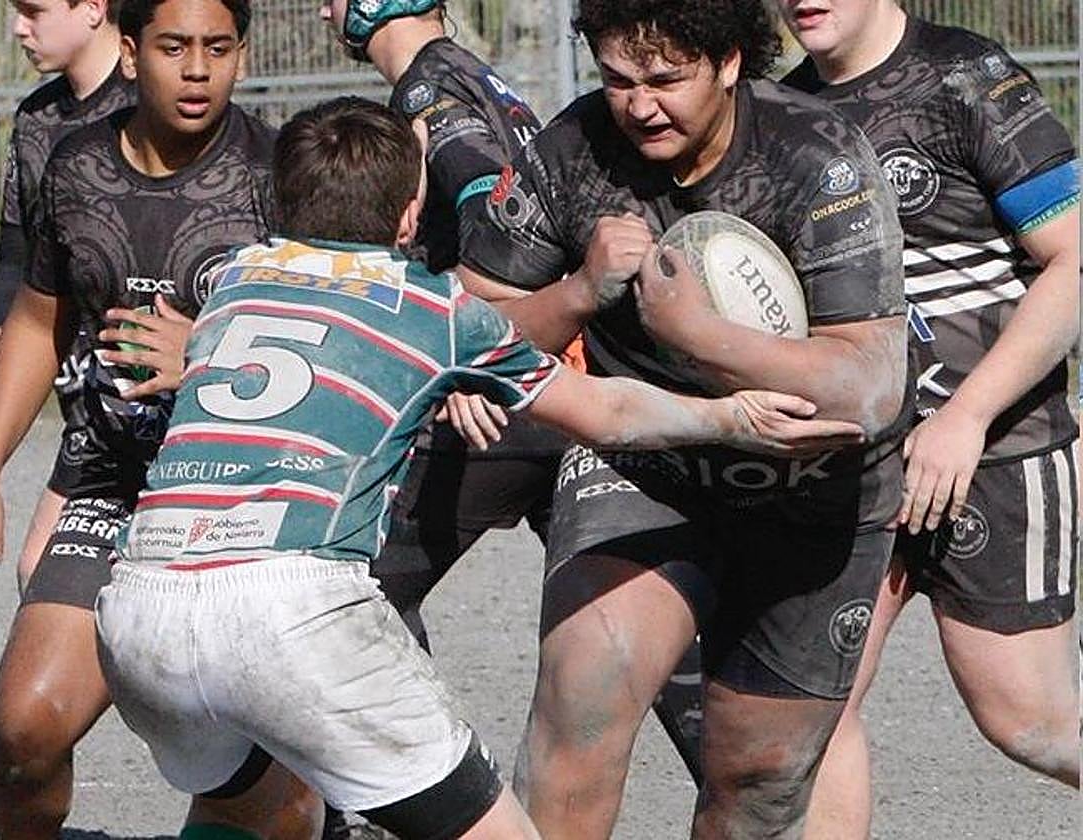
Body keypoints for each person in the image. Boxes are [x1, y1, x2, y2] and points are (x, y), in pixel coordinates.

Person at [94, 93, 871, 840]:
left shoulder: (236, 277)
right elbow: (604, 412)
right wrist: (729, 417)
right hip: (291, 609)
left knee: (241, 810)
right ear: (408, 216)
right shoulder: (431, 309)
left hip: (138, 606)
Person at [455, 0, 910, 836]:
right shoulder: (571, 151)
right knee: (582, 697)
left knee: (758, 779)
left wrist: (699, 333)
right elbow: (469, 323)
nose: (639, 105)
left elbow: (871, 385)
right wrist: (578, 293)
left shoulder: (818, 159)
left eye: (666, 79)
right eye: (618, 79)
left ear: (730, 61)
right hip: (649, 464)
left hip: (812, 488)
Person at [0, 1, 320, 838]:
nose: (197, 69)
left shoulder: (280, 174)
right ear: (129, 49)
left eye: (218, 48)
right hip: (111, 485)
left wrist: (212, 355)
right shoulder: (74, 164)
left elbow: (336, 340)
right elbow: (38, 321)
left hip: (250, 502)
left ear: (243, 54)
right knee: (23, 734)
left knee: (250, 765)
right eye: (174, 47)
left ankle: (293, 802)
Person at [321, 0, 708, 787]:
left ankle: (416, 799)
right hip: (553, 384)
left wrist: (470, 351)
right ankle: (756, 788)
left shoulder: (429, 88)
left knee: (344, 587)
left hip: (506, 388)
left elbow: (482, 199)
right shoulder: (471, 73)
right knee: (648, 625)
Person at [774, 2, 1081, 837]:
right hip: (854, 466)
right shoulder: (783, 114)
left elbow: (1073, 261)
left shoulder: (966, 78)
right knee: (810, 710)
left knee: (1030, 723)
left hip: (995, 454)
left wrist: (965, 418)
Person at [0, 0, 135, 595]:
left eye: (33, 10)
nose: (18, 27)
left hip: (154, 395)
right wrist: (2, 322)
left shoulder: (148, 106)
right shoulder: (37, 119)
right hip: (84, 404)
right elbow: (17, 245)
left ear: (94, 8)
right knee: (39, 573)